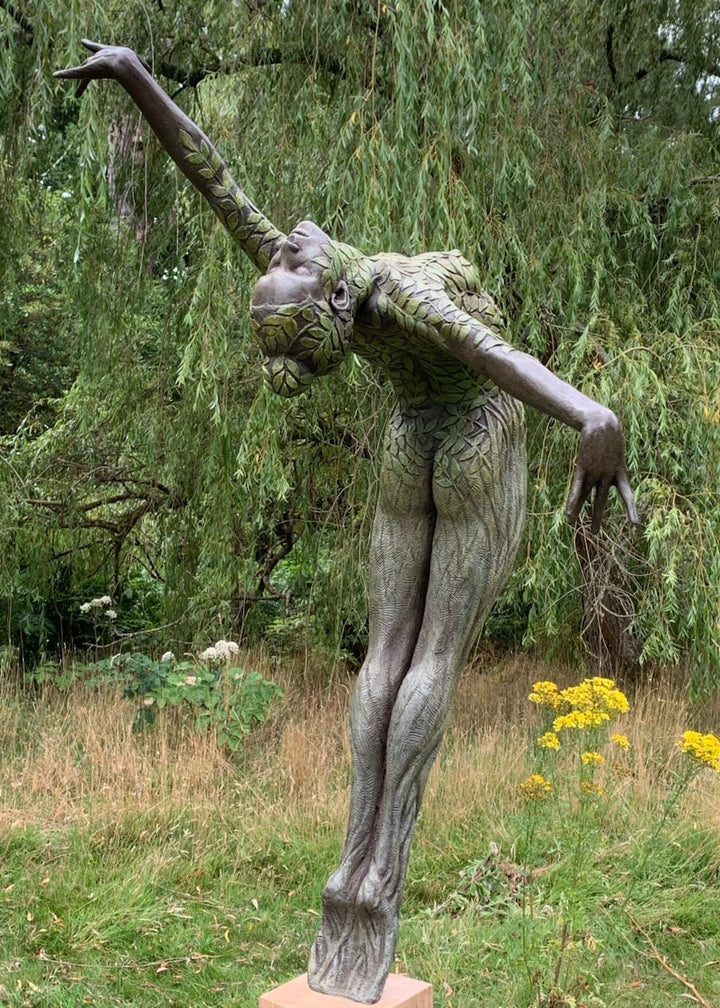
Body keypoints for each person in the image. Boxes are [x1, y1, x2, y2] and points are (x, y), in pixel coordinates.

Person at [57, 41, 638, 1004]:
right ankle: (376, 871)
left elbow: (212, 170)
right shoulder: (385, 286)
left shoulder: (319, 279)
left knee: (387, 655)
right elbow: (496, 356)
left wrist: (132, 73)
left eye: (282, 253)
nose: (283, 242)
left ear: (315, 288)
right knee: (428, 656)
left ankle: (356, 866)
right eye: (282, 257)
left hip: (413, 437)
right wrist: (593, 419)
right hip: (466, 436)